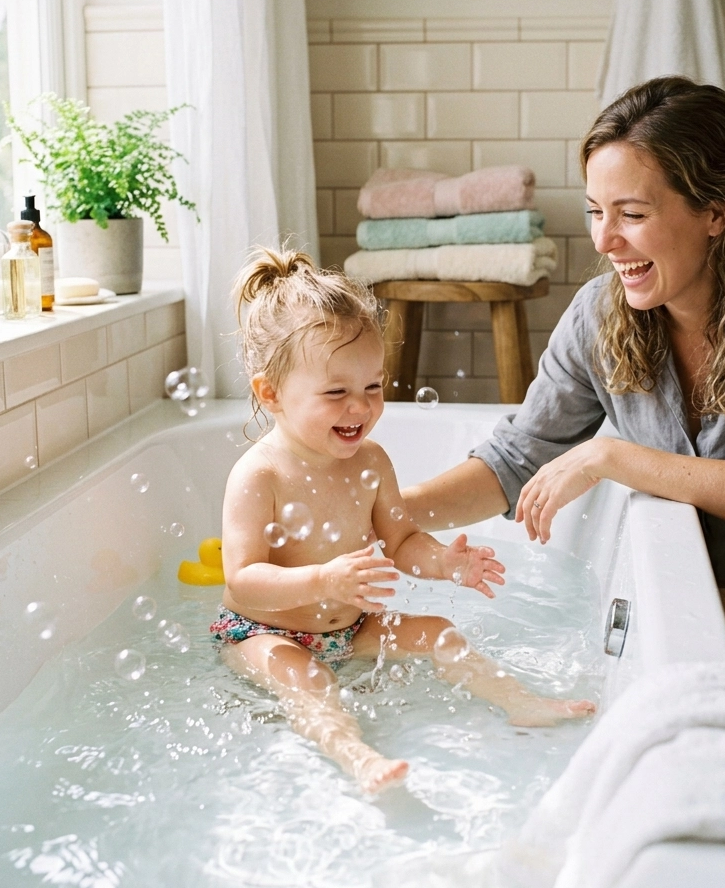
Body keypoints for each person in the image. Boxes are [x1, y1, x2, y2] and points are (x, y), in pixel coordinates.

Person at [402, 76, 725, 851]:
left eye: (632, 214)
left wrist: (609, 455)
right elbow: (511, 458)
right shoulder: (603, 314)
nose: (605, 241)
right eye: (598, 212)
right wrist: (384, 517)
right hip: (693, 612)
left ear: (714, 213)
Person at [214, 248, 595, 793]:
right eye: (336, 393)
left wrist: (443, 563)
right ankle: (357, 756)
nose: (361, 408)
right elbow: (242, 578)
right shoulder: (260, 476)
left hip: (349, 628)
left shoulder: (371, 462)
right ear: (270, 393)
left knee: (439, 633)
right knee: (306, 677)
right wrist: (324, 580)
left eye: (372, 387)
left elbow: (402, 540)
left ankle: (521, 703)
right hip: (263, 630)